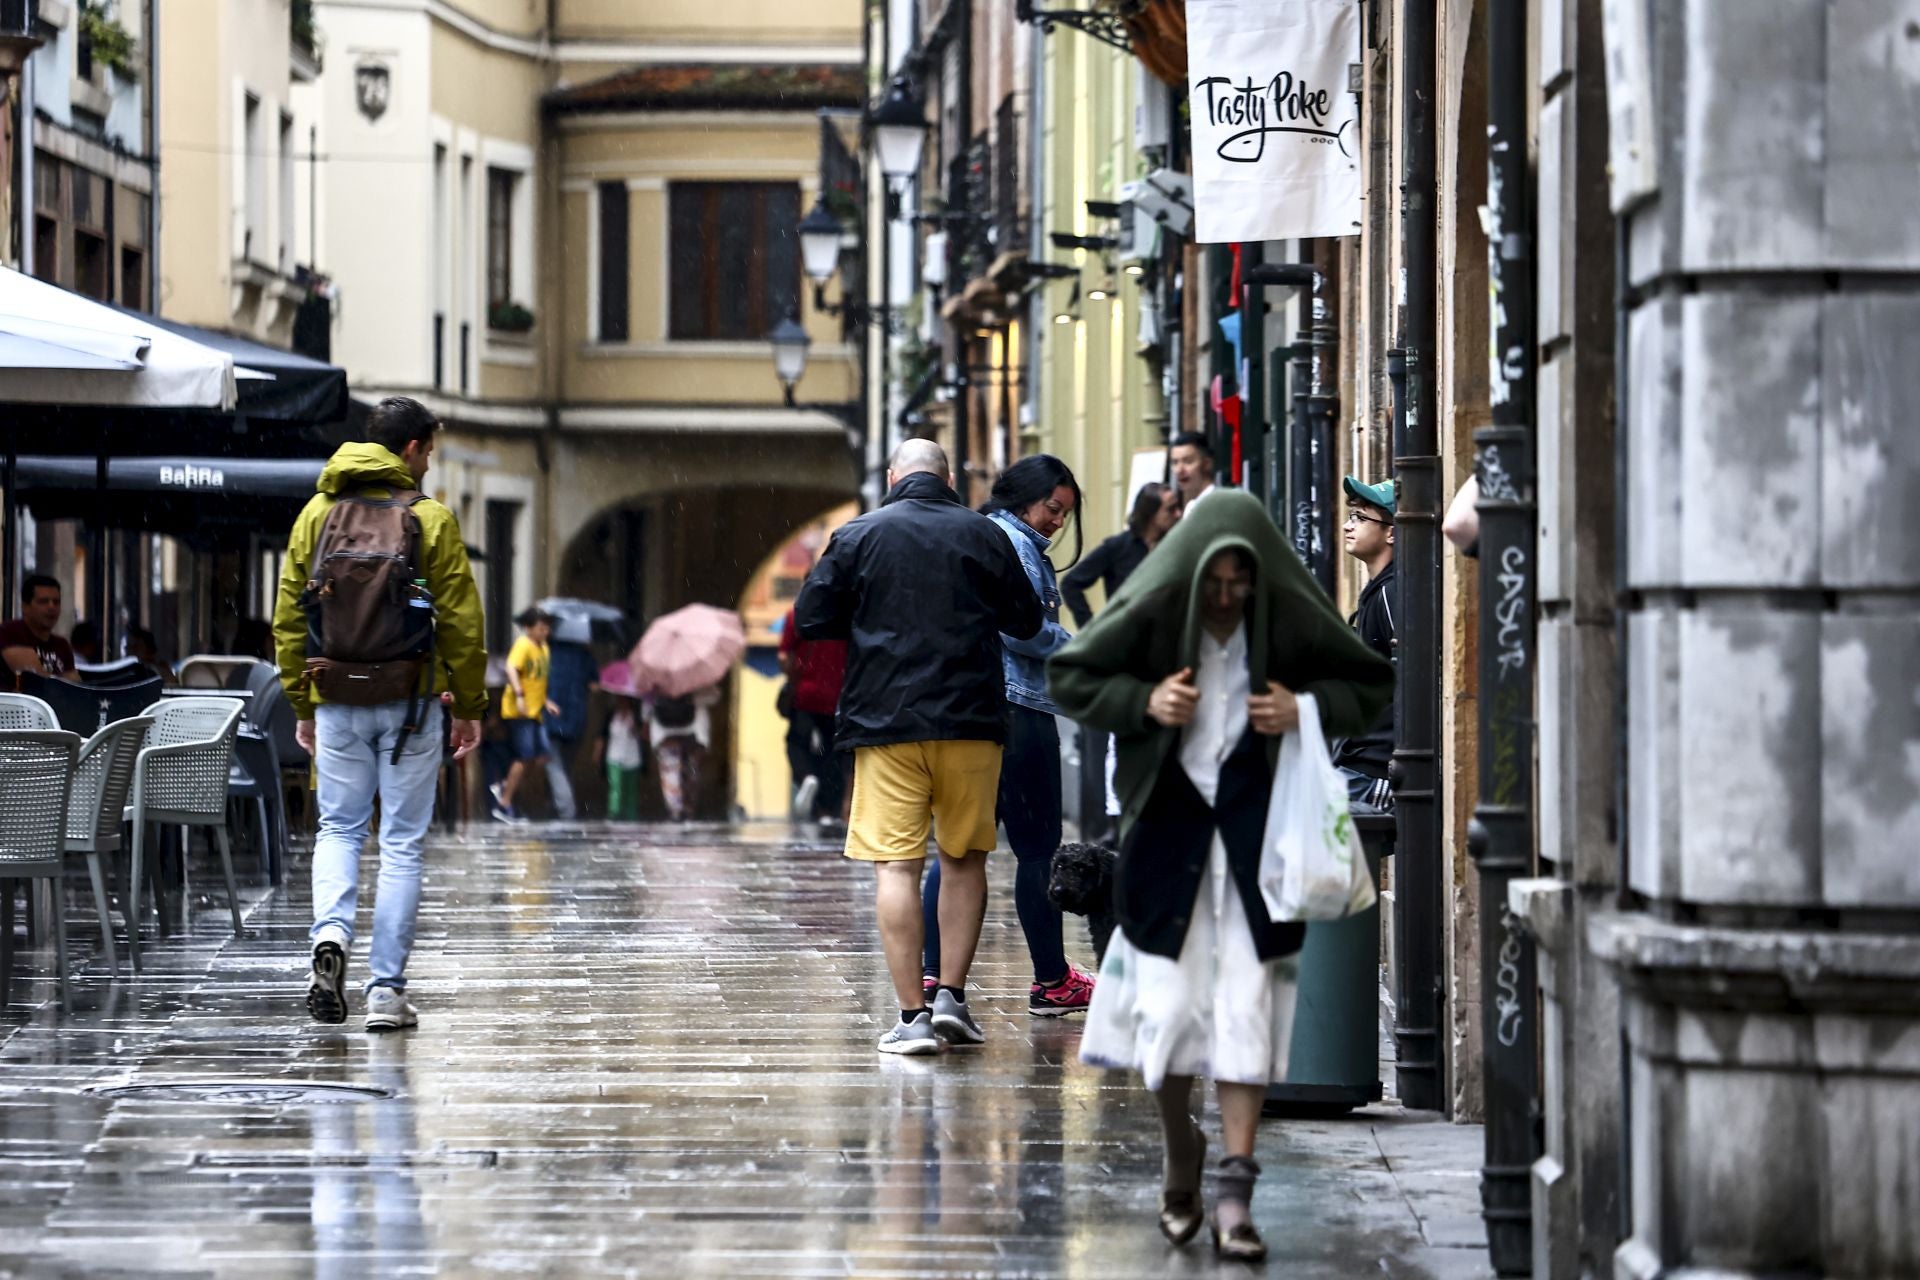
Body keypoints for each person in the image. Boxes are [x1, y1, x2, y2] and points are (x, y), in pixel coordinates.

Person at [1050, 489, 1392, 1261]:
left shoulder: (1284, 619)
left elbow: (1369, 685)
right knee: (1165, 1026)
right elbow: (1071, 677)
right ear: (1192, 575)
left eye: (1243, 582)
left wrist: (1301, 707)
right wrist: (1145, 701)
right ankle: (1183, 1155)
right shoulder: (1153, 611)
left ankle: (1236, 1192)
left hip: (1257, 853)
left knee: (1247, 1016)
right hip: (1166, 853)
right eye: (1216, 583)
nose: (1230, 597)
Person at [794, 438, 1041, 1056]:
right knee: (964, 859)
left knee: (897, 868)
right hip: (971, 720)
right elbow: (1027, 621)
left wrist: (873, 613)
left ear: (892, 477)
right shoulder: (985, 535)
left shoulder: (858, 535)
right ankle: (953, 995)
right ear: (950, 479)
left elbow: (812, 616)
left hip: (887, 723)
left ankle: (912, 1017)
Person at [273, 395, 486, 1033]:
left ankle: (329, 939)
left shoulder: (316, 515)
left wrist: (301, 700)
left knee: (337, 830)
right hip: (411, 702)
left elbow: (289, 617)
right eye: (429, 451)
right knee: (400, 844)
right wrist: (469, 706)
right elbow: (462, 622)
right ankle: (387, 993)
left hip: (336, 696)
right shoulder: (432, 519)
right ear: (413, 449)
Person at [921, 454, 1096, 1017]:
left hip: (974, 709)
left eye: (1065, 514)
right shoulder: (1014, 544)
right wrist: (1081, 649)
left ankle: (932, 975)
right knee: (1037, 849)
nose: (1057, 522)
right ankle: (1051, 980)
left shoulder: (982, 534)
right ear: (1024, 497)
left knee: (958, 850)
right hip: (1018, 709)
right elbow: (1021, 630)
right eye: (1053, 508)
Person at [1334, 476, 1398, 811]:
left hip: (1373, 770)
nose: (1348, 525)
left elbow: (1411, 684)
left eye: (1360, 518)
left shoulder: (1391, 592)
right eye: (1351, 516)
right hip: (1358, 761)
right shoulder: (1379, 590)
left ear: (1391, 532)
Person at [1059, 482, 1180, 627]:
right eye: (1170, 509)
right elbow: (1070, 584)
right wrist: (1090, 630)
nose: (1178, 514)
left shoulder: (1175, 547)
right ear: (1151, 514)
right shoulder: (1118, 547)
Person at [777, 605, 849, 824]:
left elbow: (783, 656)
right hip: (837, 695)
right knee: (832, 754)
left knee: (796, 743)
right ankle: (826, 810)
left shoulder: (796, 615)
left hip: (805, 695)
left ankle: (806, 776)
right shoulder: (845, 614)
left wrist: (792, 674)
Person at [492, 607, 558, 822]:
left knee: (542, 755)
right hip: (519, 711)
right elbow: (511, 668)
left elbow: (537, 680)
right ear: (528, 628)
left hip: (535, 712)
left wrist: (546, 701)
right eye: (540, 627)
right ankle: (504, 804)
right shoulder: (523, 645)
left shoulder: (544, 649)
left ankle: (504, 786)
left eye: (547, 627)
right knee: (524, 756)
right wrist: (519, 695)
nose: (544, 631)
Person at [647, 684, 719, 821]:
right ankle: (687, 808)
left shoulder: (656, 680)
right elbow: (714, 696)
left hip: (667, 736)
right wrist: (692, 698)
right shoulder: (698, 681)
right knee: (691, 774)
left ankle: (676, 810)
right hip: (692, 736)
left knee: (672, 775)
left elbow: (647, 710)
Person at [542, 635, 595, 820]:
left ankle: (566, 810)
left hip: (551, 716)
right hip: (576, 718)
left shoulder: (545, 651)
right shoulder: (584, 654)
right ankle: (557, 806)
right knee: (564, 766)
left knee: (554, 766)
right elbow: (594, 685)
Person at [1, 575, 78, 686]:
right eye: (43, 601)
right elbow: (36, 681)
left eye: (56, 602)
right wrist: (63, 679)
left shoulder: (62, 645)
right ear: (25, 607)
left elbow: (75, 684)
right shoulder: (10, 632)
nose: (51, 607)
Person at [595, 695, 646, 820]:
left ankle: (631, 817)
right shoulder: (611, 716)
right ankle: (613, 813)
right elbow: (602, 736)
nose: (622, 703)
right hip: (614, 756)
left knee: (631, 790)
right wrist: (597, 753)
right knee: (615, 786)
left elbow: (645, 735)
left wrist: (637, 729)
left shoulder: (636, 716)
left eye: (625, 701)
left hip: (632, 757)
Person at [1168, 432, 1217, 511]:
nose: (1179, 470)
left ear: (1207, 463)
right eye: (1175, 462)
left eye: (1188, 461)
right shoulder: (1191, 506)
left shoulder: (1218, 503)